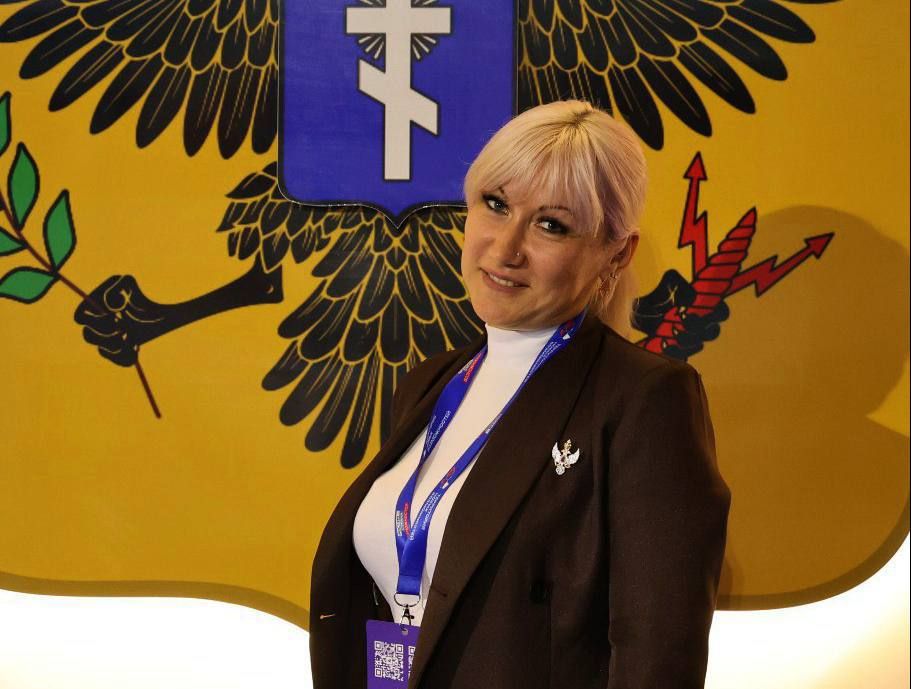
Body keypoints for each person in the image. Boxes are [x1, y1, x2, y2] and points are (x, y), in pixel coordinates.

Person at [309, 100, 732, 689]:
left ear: (616, 253)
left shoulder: (646, 399)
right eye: (496, 204)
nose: (505, 248)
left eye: (550, 225)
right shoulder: (430, 382)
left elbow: (657, 657)